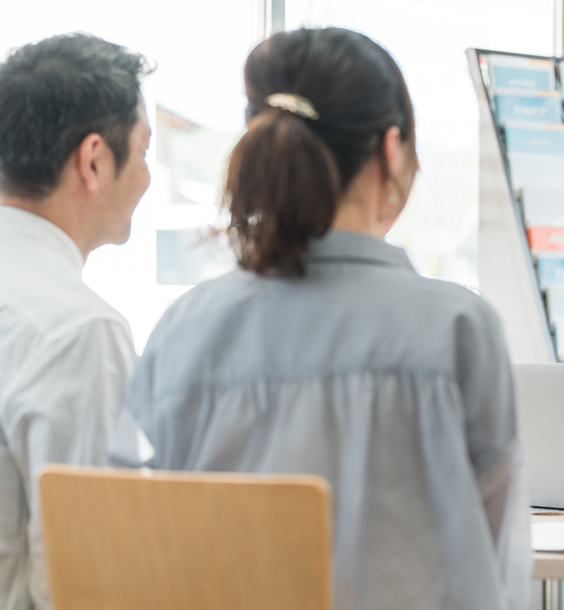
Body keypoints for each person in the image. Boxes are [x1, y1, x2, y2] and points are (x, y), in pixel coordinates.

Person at [113, 28, 531, 610]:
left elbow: (138, 538)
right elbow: (497, 554)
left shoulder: (182, 330)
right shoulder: (460, 328)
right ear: (392, 149)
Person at [0, 34, 152, 610]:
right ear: (93, 160)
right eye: (143, 152)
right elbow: (89, 583)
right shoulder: (78, 332)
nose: (146, 177)